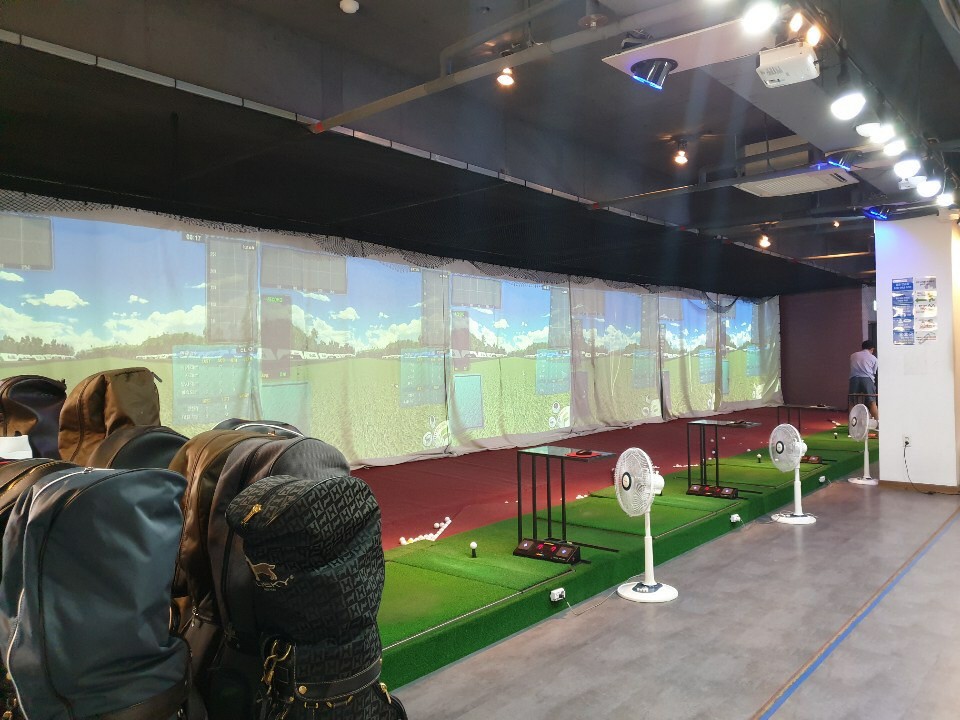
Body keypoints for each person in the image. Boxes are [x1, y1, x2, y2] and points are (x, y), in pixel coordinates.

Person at [849, 340, 879, 421]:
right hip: (867, 379)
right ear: (872, 349)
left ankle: (852, 423)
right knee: (872, 402)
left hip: (854, 379)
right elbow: (874, 372)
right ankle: (877, 423)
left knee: (852, 402)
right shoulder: (873, 358)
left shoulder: (853, 355)